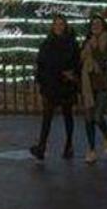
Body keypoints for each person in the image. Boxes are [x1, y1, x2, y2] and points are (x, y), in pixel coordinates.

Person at [30, 16, 81, 161]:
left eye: (61, 24)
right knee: (47, 117)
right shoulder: (47, 43)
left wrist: (71, 74)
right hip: (51, 84)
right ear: (53, 26)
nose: (58, 27)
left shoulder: (71, 43)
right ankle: (42, 146)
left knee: (67, 115)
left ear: (65, 26)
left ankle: (69, 144)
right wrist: (41, 80)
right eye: (56, 24)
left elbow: (76, 62)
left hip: (65, 84)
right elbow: (41, 62)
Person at [80, 15, 107, 164]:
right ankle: (92, 150)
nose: (95, 26)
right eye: (93, 24)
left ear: (103, 25)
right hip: (88, 83)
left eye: (98, 23)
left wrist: (94, 49)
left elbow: (105, 60)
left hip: (102, 83)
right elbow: (80, 58)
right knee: (88, 118)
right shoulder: (87, 41)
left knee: (98, 116)